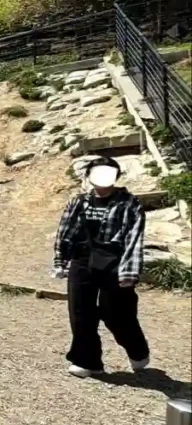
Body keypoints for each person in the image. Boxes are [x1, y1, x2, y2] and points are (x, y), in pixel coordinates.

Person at [52, 156, 150, 378]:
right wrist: (60, 260)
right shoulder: (78, 201)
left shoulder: (129, 203)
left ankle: (137, 349)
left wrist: (129, 272)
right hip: (82, 258)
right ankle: (88, 361)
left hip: (114, 260)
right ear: (88, 177)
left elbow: (134, 238)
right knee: (80, 312)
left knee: (116, 313)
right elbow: (65, 231)